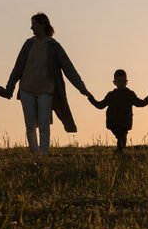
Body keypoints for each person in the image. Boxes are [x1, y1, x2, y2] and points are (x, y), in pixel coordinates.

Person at [5, 13, 95, 153]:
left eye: (34, 24)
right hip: (26, 89)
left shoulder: (54, 46)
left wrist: (82, 88)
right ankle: (35, 155)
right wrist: (10, 87)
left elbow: (69, 68)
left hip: (46, 91)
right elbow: (18, 67)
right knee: (30, 125)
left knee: (44, 125)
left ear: (42, 25)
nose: (31, 27)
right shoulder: (29, 44)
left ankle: (43, 155)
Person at [89, 69, 148, 153]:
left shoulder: (129, 94)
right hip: (113, 122)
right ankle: (120, 149)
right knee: (121, 136)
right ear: (114, 82)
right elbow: (100, 105)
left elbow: (141, 103)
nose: (121, 83)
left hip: (125, 122)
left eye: (123, 81)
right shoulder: (111, 95)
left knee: (122, 136)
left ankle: (120, 150)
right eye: (119, 81)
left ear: (126, 82)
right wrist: (90, 97)